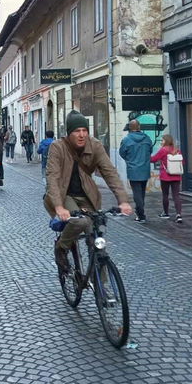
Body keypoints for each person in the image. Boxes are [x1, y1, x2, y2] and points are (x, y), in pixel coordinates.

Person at [45, 110, 132, 272]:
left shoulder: (95, 145)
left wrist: (123, 200)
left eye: (84, 131)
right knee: (80, 221)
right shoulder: (57, 147)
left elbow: (110, 173)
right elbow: (52, 178)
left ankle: (101, 289)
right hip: (65, 195)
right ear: (69, 133)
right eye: (77, 131)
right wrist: (58, 207)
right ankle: (62, 247)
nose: (81, 135)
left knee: (97, 238)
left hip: (87, 196)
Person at [118, 120, 153, 224]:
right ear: (139, 127)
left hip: (133, 169)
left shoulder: (126, 140)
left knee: (137, 193)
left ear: (129, 127)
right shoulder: (147, 138)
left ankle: (141, 215)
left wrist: (130, 160)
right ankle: (141, 212)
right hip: (145, 168)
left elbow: (122, 153)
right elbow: (149, 151)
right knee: (142, 193)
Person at [150, 134, 184, 223]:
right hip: (176, 175)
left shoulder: (163, 150)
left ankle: (165, 213)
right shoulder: (177, 150)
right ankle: (178, 215)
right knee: (176, 195)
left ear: (166, 141)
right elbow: (182, 162)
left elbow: (153, 159)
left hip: (165, 176)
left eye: (162, 140)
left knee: (165, 195)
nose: (161, 142)